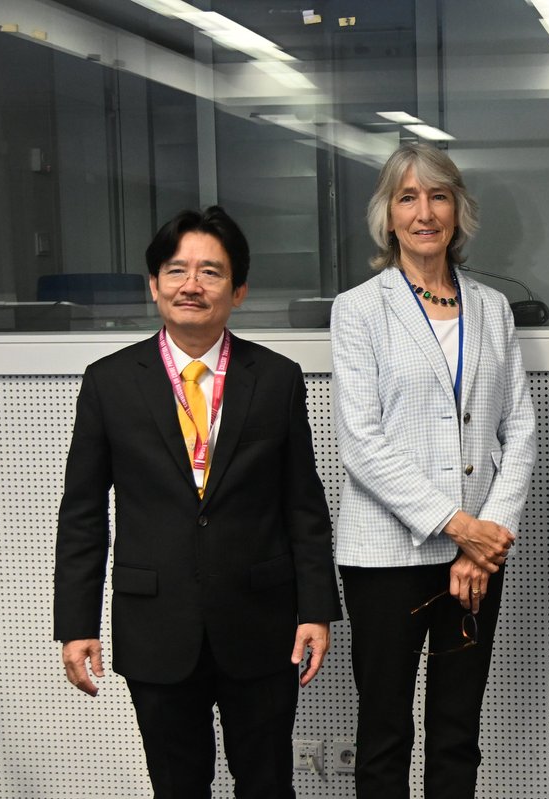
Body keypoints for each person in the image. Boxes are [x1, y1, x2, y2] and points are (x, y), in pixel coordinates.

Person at [54, 206, 342, 797]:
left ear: (238, 290)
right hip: (156, 624)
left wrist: (316, 608)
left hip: (260, 623)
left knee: (266, 783)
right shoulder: (108, 381)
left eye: (211, 272)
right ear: (153, 284)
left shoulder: (278, 377)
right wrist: (75, 623)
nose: (192, 285)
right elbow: (83, 512)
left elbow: (303, 505)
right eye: (176, 269)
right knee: (177, 786)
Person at [330, 142, 536, 798]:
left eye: (438, 195)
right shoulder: (360, 309)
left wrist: (485, 538)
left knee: (457, 731)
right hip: (386, 558)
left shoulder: (492, 309)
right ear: (388, 217)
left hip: (475, 563)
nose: (425, 211)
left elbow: (520, 432)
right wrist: (460, 525)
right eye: (408, 197)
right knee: (386, 732)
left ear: (459, 211)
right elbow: (361, 443)